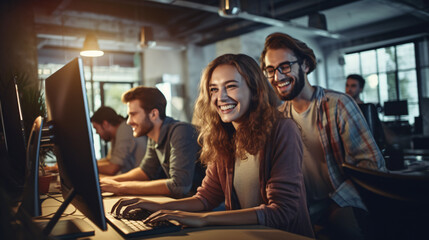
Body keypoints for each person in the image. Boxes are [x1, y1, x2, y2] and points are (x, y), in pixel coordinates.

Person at [110, 54, 314, 238]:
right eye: (214, 89)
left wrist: (204, 219)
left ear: (254, 90)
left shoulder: (282, 130)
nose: (220, 97)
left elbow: (282, 211)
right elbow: (205, 198)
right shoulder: (224, 136)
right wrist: (154, 206)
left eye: (231, 86)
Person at [260, 32, 386, 240]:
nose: (277, 77)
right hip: (303, 205)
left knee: (343, 226)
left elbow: (371, 165)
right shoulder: (277, 118)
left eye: (285, 67)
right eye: (270, 70)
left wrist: (336, 205)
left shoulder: (338, 104)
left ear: (305, 66)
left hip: (343, 200)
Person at [99, 87, 204, 198]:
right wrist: (106, 181)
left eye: (133, 114)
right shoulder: (154, 136)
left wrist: (120, 187)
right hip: (186, 203)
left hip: (208, 208)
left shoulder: (181, 131)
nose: (128, 122)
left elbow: (179, 186)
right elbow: (145, 172)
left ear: (154, 114)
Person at [91, 106, 147, 176]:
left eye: (96, 128)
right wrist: (90, 163)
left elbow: (112, 168)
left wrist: (87, 167)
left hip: (141, 181)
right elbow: (109, 160)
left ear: (105, 124)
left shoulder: (125, 130)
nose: (96, 132)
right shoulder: (116, 134)